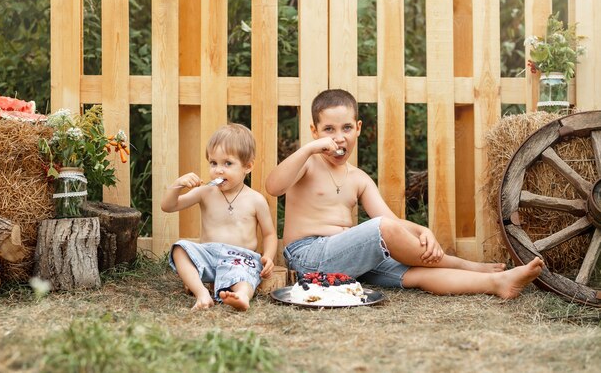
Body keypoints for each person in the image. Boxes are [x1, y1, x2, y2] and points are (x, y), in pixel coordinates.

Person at [265, 89, 544, 299]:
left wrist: (422, 229)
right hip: (308, 257)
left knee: (416, 274)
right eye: (329, 129)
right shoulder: (308, 163)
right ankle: (468, 265)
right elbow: (273, 187)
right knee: (380, 229)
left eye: (346, 128)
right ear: (315, 131)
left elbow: (389, 222)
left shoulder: (359, 179)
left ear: (358, 128)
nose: (339, 138)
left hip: (348, 258)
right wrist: (308, 149)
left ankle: (497, 284)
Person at [162, 123, 277, 311]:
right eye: (213, 163)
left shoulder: (256, 200)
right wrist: (177, 185)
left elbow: (270, 234)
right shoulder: (205, 192)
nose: (218, 170)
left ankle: (241, 296)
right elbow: (168, 206)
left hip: (239, 258)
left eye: (228, 163)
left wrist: (269, 257)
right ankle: (202, 294)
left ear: (248, 166)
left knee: (245, 275)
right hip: (208, 255)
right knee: (180, 249)